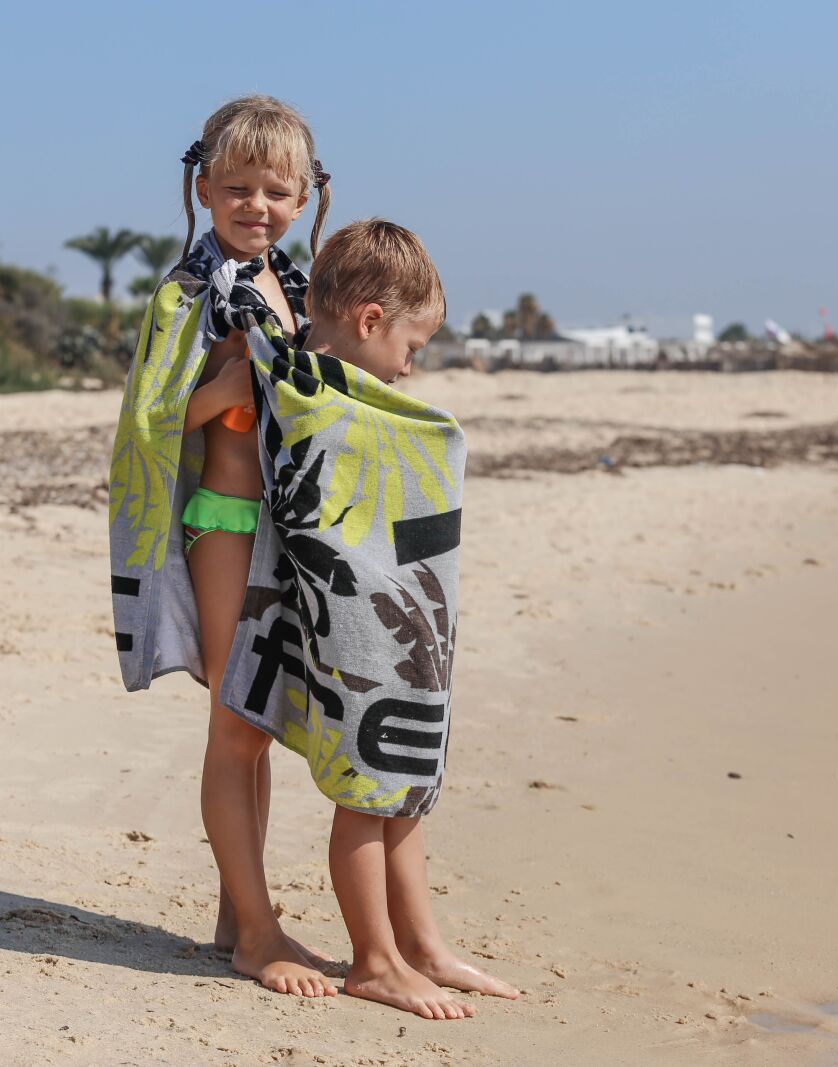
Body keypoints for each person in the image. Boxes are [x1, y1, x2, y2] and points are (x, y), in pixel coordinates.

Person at [108, 94, 336, 998]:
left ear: (306, 194)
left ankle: (236, 910)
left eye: (276, 190)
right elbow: (148, 421)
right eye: (237, 187)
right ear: (203, 188)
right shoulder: (189, 293)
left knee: (258, 724)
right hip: (223, 524)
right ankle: (259, 934)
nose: (256, 206)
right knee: (234, 724)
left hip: (285, 533)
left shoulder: (298, 284)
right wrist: (233, 380)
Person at [290, 220, 521, 1019]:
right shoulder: (312, 389)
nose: (413, 365)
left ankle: (420, 943)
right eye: (412, 344)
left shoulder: (336, 386)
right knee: (364, 788)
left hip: (397, 621)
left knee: (404, 789)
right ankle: (373, 957)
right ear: (370, 321)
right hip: (356, 623)